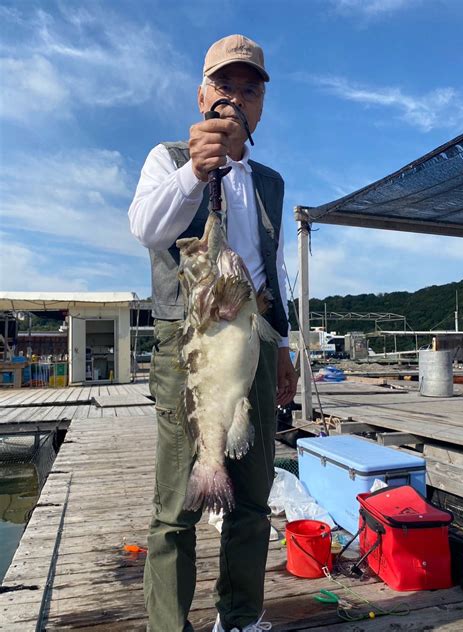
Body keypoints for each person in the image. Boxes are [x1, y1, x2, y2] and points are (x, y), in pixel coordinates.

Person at [128, 34, 298, 632]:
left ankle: (241, 616)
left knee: (253, 496)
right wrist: (195, 174)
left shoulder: (271, 182)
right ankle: (169, 625)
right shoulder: (167, 159)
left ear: (260, 108)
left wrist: (285, 346)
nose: (236, 98)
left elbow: (274, 269)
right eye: (224, 85)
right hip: (190, 348)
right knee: (175, 509)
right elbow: (146, 228)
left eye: (249, 90)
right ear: (202, 94)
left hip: (255, 343)